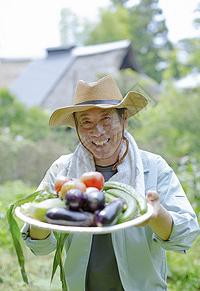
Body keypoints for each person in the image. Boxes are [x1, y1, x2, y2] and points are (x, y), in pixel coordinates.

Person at [21, 75, 200, 291]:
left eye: (106, 118)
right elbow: (40, 248)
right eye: (86, 121)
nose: (98, 131)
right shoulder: (62, 171)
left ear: (124, 118)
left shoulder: (153, 167)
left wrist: (156, 215)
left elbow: (186, 236)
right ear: (77, 127)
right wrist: (40, 215)